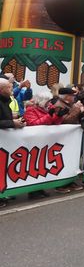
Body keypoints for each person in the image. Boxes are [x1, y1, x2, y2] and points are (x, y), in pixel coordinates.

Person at [0, 77, 26, 206]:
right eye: (9, 87)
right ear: (1, 90)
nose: (12, 89)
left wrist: (15, 118)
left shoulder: (5, 100)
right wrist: (12, 123)